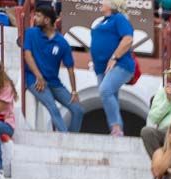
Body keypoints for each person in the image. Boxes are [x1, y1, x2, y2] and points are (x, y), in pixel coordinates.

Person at [23, 4, 83, 134]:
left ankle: (72, 138)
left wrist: (74, 91)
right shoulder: (30, 33)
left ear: (47, 20)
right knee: (53, 108)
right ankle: (65, 138)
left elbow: (70, 68)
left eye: (38, 16)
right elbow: (27, 55)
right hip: (35, 80)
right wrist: (38, 76)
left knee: (78, 110)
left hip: (54, 83)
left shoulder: (62, 42)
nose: (35, 18)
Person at [90, 0, 135, 136]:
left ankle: (116, 127)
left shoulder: (119, 19)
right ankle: (116, 129)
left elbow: (128, 39)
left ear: (111, 4)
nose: (100, 2)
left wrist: (114, 57)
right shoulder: (102, 21)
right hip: (101, 68)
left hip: (119, 64)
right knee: (110, 95)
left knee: (105, 90)